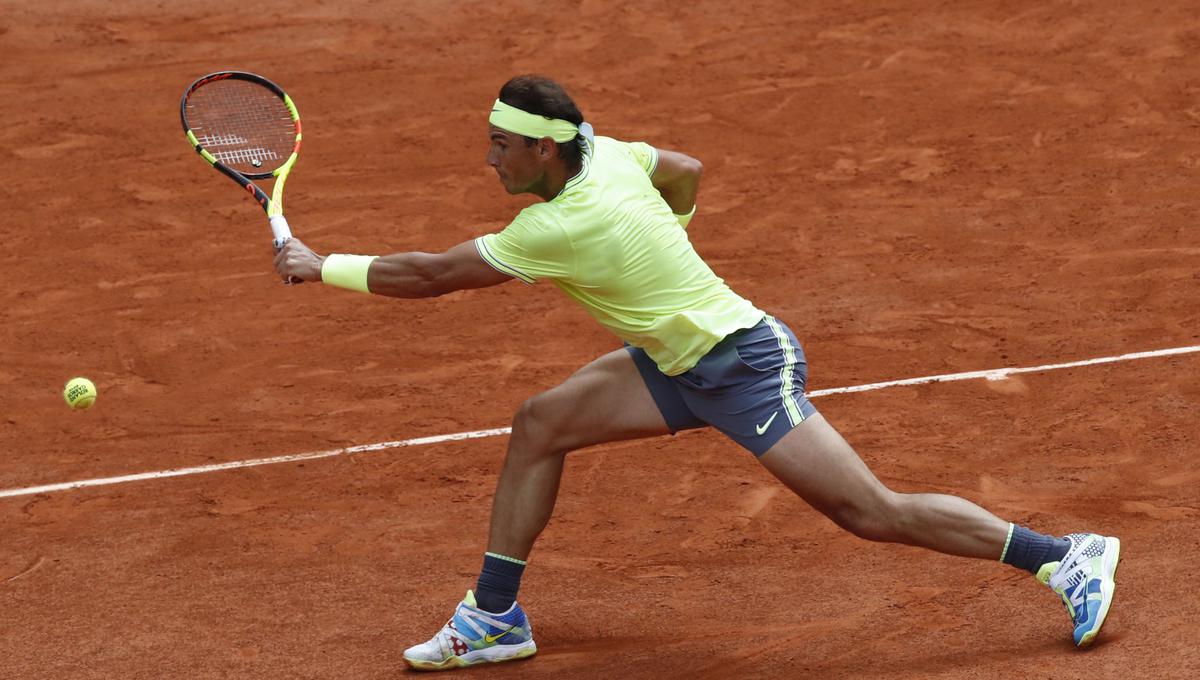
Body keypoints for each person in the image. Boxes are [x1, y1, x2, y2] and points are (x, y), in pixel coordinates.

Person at [274, 75, 1121, 671]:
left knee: (870, 511)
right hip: (677, 359)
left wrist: (319, 268)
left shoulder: (556, 228)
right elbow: (686, 171)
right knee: (542, 422)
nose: (489, 161)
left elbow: (431, 276)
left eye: (501, 147)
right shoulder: (606, 157)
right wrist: (668, 247)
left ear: (545, 153)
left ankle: (1064, 557)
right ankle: (495, 616)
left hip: (744, 364)